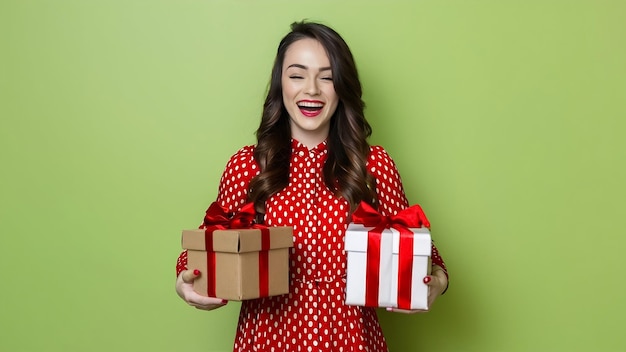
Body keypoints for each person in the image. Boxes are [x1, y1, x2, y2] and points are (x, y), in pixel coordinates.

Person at [175, 21, 449, 351]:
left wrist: (437, 283)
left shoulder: (373, 165)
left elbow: (425, 255)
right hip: (267, 339)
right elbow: (205, 247)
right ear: (280, 85)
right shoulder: (246, 166)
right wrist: (185, 283)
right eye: (297, 75)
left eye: (327, 76)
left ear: (341, 86)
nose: (312, 89)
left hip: (350, 339)